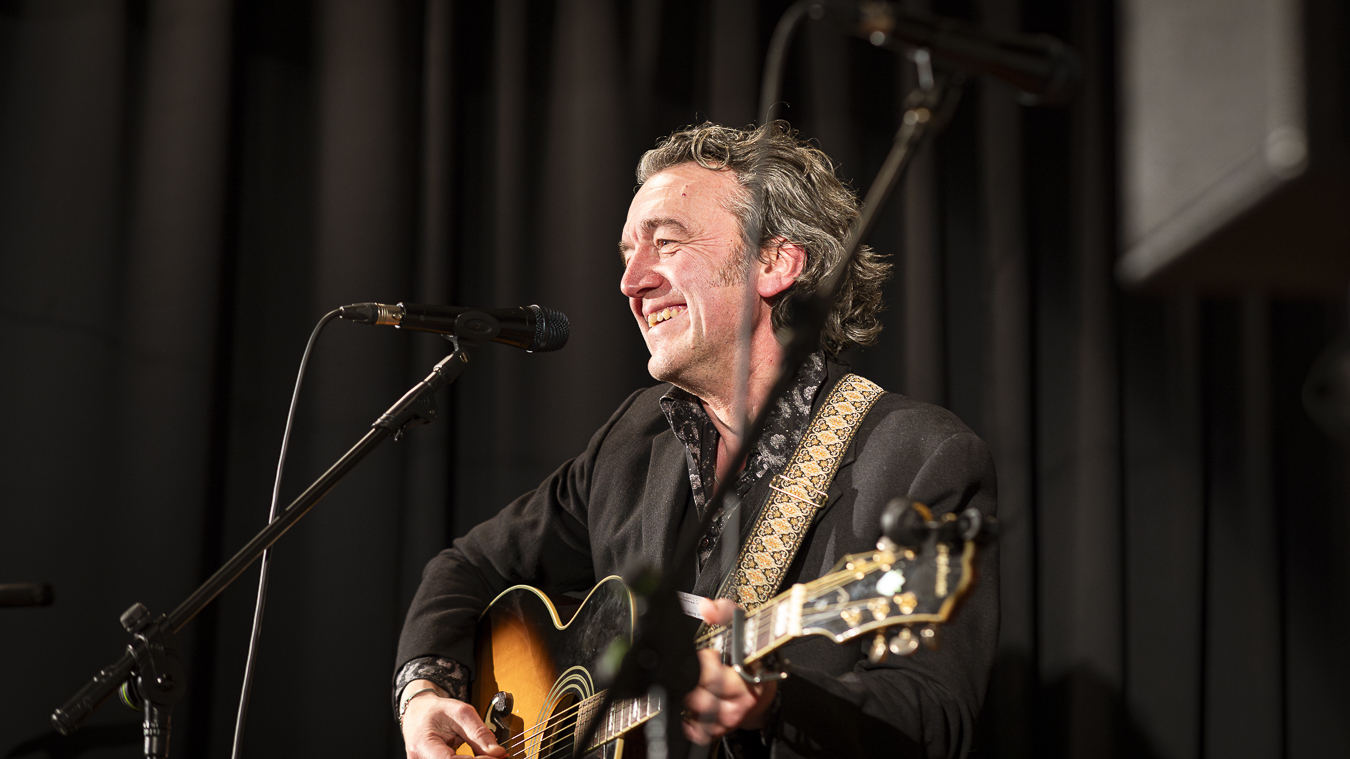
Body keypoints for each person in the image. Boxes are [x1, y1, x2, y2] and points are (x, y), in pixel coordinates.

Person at [393, 122, 998, 759]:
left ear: (775, 263)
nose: (632, 282)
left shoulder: (922, 456)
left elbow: (935, 718)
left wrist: (772, 702)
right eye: (627, 254)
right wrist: (424, 694)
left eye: (666, 243)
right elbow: (468, 567)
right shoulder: (634, 437)